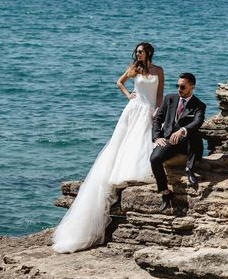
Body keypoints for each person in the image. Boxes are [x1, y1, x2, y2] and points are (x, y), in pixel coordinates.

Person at [52, 42, 164, 253]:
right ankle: (126, 171)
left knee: (143, 140)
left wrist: (157, 110)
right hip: (134, 108)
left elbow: (160, 93)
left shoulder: (158, 70)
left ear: (148, 52)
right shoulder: (134, 68)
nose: (138, 54)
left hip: (148, 109)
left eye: (140, 51)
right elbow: (119, 82)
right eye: (137, 52)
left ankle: (141, 169)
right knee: (127, 141)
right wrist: (128, 95)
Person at [150, 72, 206, 212]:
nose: (179, 89)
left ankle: (190, 169)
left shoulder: (199, 105)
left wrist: (183, 130)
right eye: (177, 86)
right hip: (169, 139)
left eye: (182, 86)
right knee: (154, 159)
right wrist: (157, 137)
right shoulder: (169, 98)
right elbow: (157, 119)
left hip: (188, 141)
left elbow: (197, 122)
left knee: (194, 133)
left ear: (191, 87)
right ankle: (165, 193)